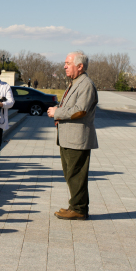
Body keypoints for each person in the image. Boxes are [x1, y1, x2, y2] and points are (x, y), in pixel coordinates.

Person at [46, 51, 98, 221]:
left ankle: (79, 209)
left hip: (77, 139)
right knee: (72, 175)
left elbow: (80, 110)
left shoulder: (86, 84)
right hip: (69, 138)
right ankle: (75, 206)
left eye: (68, 63)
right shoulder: (76, 82)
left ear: (80, 66)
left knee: (76, 175)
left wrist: (57, 113)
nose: (64, 66)